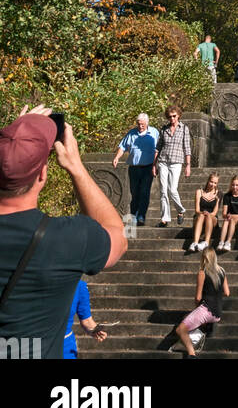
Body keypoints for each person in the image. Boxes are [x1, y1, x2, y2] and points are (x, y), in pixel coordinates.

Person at [0, 106, 127, 360]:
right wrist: (76, 166)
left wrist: (12, 142)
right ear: (42, 175)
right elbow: (117, 237)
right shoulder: (66, 239)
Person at [175, 247, 230, 357]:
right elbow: (227, 292)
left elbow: (198, 298)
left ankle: (191, 354)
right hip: (217, 313)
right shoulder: (222, 271)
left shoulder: (202, 272)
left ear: (204, 258)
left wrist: (198, 307)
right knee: (186, 317)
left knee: (180, 329)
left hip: (206, 309)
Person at [112, 112, 158, 226]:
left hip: (148, 167)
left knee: (144, 192)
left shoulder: (154, 132)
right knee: (134, 193)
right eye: (138, 124)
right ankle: (133, 216)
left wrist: (156, 165)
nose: (140, 126)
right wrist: (117, 157)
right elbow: (123, 146)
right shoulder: (132, 133)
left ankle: (141, 216)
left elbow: (159, 148)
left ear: (147, 123)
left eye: (142, 124)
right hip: (134, 168)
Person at [154, 106, 192, 227]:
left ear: (178, 115)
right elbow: (158, 147)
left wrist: (188, 165)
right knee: (163, 191)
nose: (172, 118)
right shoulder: (164, 129)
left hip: (176, 162)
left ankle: (180, 210)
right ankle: (164, 218)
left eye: (174, 116)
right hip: (163, 161)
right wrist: (153, 165)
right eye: (170, 116)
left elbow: (187, 148)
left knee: (172, 189)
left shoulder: (184, 129)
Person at [63, 278, 108, 359]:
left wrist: (95, 330)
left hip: (65, 345)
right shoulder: (34, 281)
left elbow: (86, 320)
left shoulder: (79, 285)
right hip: (37, 340)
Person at [189, 172, 221, 252]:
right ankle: (195, 243)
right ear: (208, 181)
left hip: (212, 218)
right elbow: (197, 210)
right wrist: (202, 213)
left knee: (209, 216)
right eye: (211, 182)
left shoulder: (219, 194)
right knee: (201, 216)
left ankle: (206, 242)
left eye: (215, 183)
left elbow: (215, 212)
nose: (212, 184)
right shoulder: (199, 192)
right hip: (200, 216)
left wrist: (208, 214)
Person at [217, 175, 238, 251]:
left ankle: (228, 242)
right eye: (233, 185)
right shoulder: (227, 196)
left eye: (236, 185)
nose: (234, 187)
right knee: (226, 221)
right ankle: (221, 242)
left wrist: (231, 216)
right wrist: (227, 215)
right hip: (229, 220)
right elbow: (224, 213)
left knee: (231, 220)